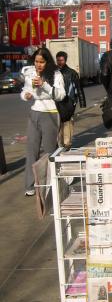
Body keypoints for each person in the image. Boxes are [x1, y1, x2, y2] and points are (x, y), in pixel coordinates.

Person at [21, 47, 66, 196]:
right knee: (31, 149)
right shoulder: (31, 73)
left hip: (50, 113)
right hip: (34, 112)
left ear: (47, 62)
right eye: (36, 62)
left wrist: (44, 85)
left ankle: (50, 184)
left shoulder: (56, 74)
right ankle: (30, 185)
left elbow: (60, 95)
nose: (38, 65)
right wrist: (26, 95)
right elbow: (25, 90)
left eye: (42, 62)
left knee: (49, 151)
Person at [56, 51, 86, 149]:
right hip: (57, 101)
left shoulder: (72, 73)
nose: (60, 62)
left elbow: (79, 88)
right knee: (58, 122)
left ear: (65, 60)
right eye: (58, 60)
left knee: (67, 122)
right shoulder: (54, 72)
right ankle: (59, 143)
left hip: (69, 101)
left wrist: (82, 102)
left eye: (62, 60)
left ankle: (67, 143)